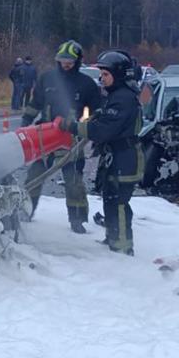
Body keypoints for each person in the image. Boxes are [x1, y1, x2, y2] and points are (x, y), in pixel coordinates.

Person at [59, 50, 143, 255]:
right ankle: (113, 238)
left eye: (105, 74)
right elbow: (104, 120)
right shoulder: (116, 95)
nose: (101, 78)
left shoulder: (123, 98)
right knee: (110, 198)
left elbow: (102, 131)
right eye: (101, 74)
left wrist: (71, 127)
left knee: (120, 203)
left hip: (126, 159)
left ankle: (123, 247)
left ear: (119, 74)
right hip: (116, 157)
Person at [22, 40, 101, 233]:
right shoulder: (47, 79)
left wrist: (88, 129)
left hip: (71, 139)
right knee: (34, 176)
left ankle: (77, 220)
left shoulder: (87, 84)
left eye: (70, 61)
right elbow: (35, 103)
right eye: (62, 60)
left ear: (78, 61)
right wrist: (25, 124)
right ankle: (25, 212)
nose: (66, 64)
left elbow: (97, 111)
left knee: (74, 181)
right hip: (44, 137)